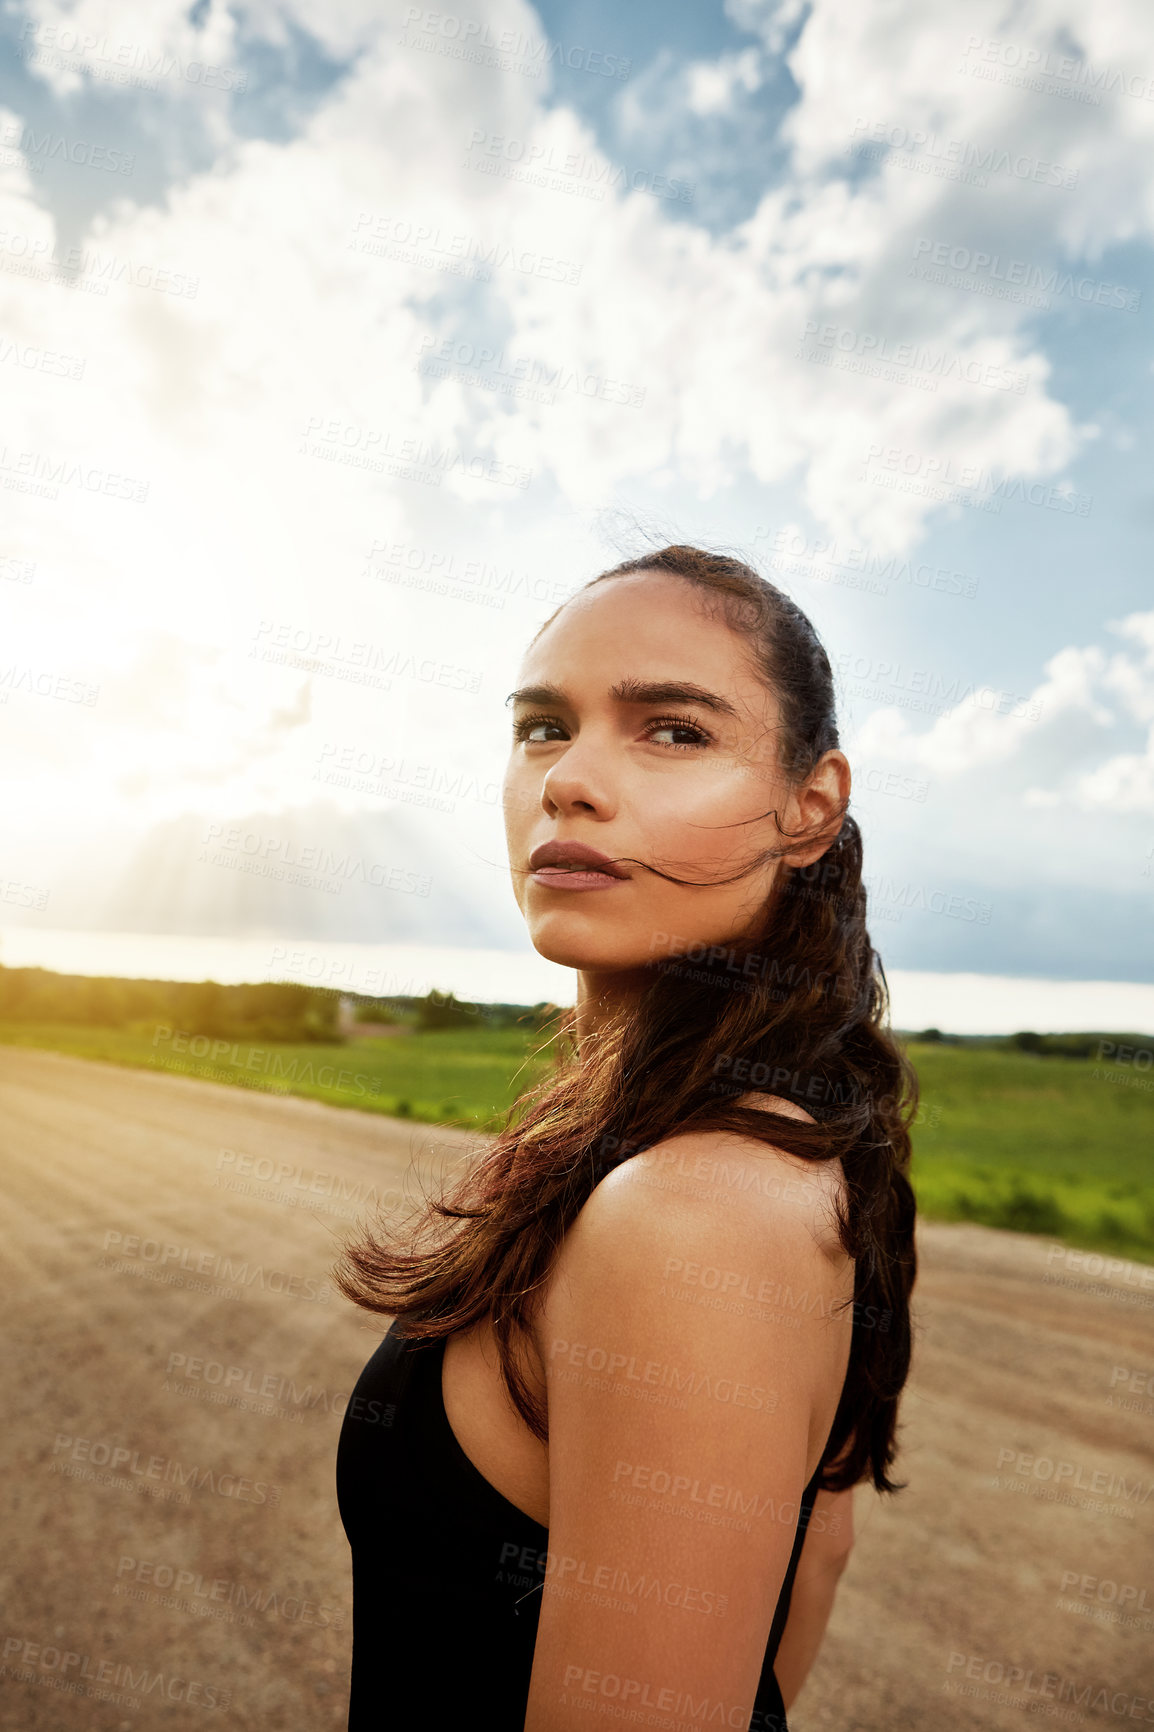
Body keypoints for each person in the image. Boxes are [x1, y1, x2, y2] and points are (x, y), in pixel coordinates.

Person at [335, 543, 918, 1730]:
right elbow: (817, 1546)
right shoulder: (761, 1141)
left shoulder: (692, 1206)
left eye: (672, 731)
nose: (569, 780)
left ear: (809, 807)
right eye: (543, 726)